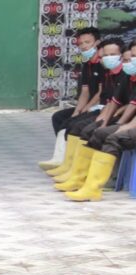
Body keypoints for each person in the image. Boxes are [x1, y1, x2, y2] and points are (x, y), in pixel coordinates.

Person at [52, 38, 127, 191]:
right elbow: (113, 101)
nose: (107, 58)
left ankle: (97, 182)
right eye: (105, 55)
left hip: (123, 118)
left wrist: (113, 119)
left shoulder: (124, 74)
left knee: (100, 133)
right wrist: (103, 116)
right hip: (110, 112)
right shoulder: (112, 74)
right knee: (77, 126)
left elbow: (125, 105)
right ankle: (76, 173)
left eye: (113, 54)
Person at [65, 41, 136, 201]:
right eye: (132, 56)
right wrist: (116, 124)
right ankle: (81, 179)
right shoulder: (127, 76)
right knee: (98, 132)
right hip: (130, 122)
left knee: (114, 138)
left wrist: (121, 127)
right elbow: (125, 103)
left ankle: (98, 185)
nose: (131, 60)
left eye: (133, 57)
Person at [39, 27, 102, 171]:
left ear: (97, 42)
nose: (84, 46)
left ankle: (69, 162)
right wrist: (78, 110)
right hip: (89, 106)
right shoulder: (87, 65)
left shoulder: (101, 63)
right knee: (59, 117)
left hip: (99, 106)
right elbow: (85, 92)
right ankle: (64, 156)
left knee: (71, 124)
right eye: (81, 43)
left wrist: (86, 109)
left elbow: (101, 92)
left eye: (88, 42)